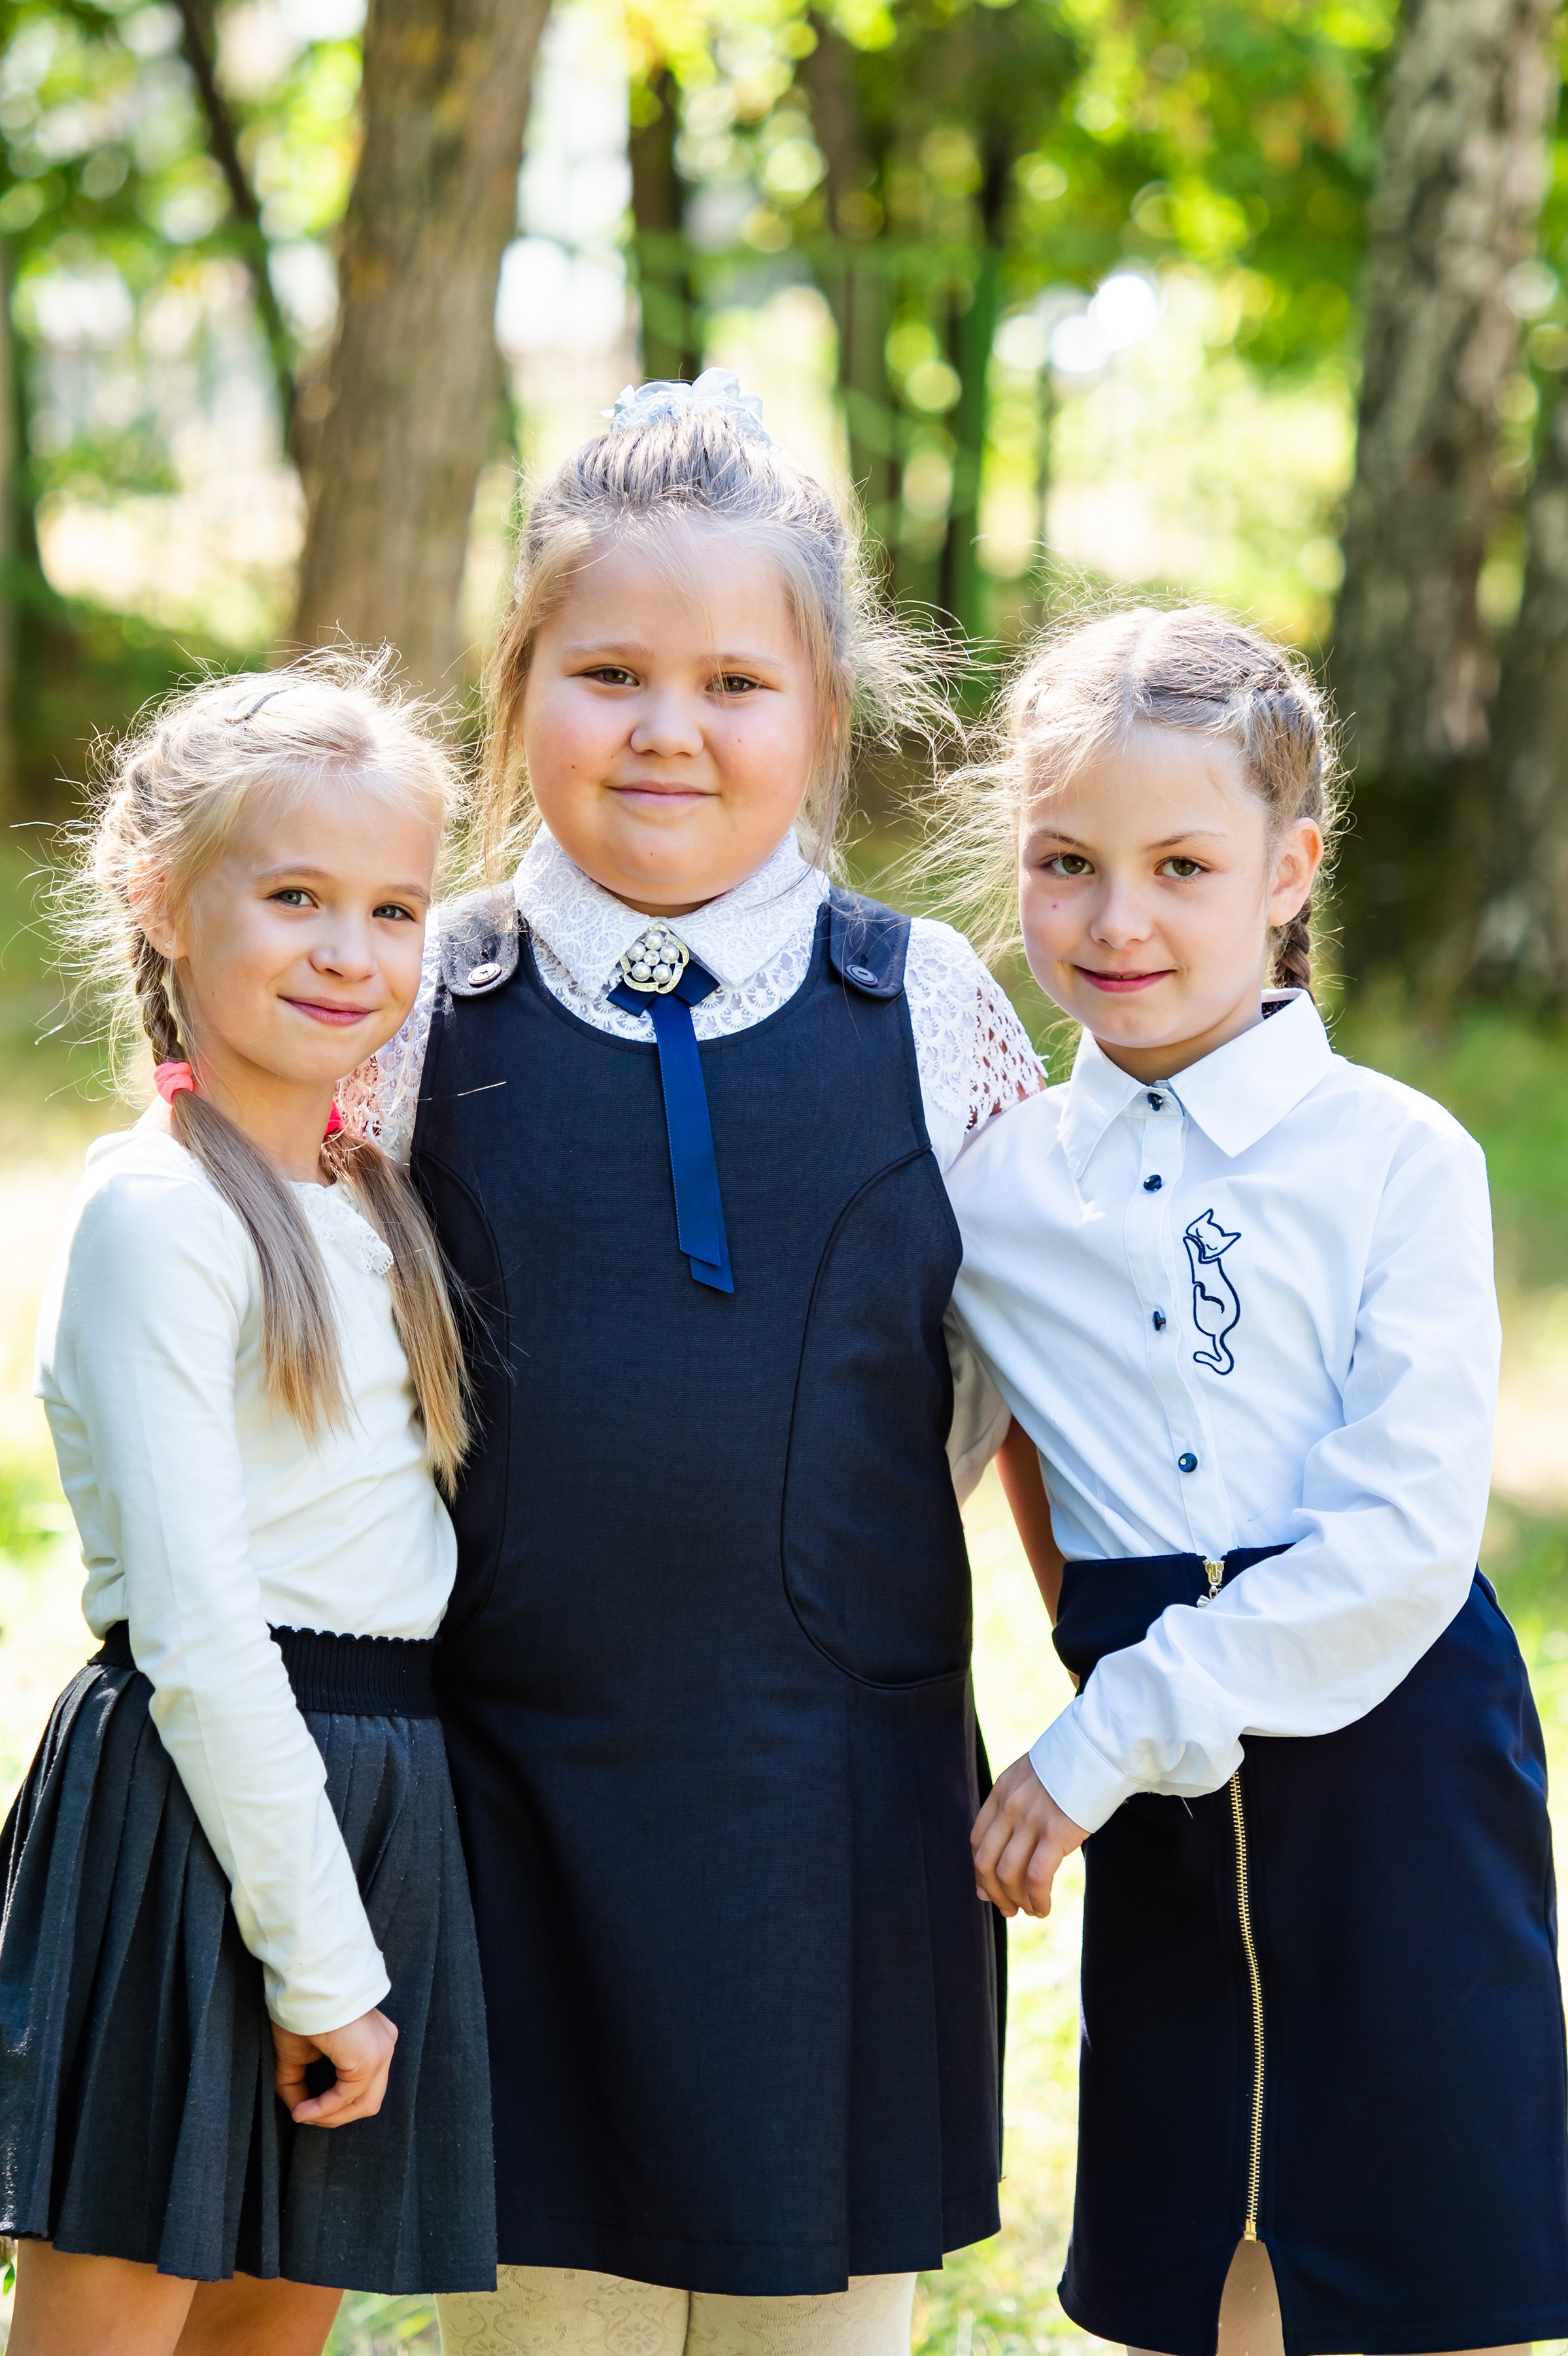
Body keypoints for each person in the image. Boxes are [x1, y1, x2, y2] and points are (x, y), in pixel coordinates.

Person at [358, 370, 1042, 2355]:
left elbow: (1034, 1386)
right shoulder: (421, 998)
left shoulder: (925, 1006)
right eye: (611, 674)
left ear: (824, 711)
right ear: (519, 686)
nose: (670, 727)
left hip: (838, 1810)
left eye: (737, 682)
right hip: (510, 1806)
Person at [947, 605, 1568, 2356]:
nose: (1116, 920)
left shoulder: (1396, 1158)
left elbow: (1401, 1545)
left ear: (1289, 871)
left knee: (1433, 2257)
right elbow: (962, 1451)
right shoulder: (995, 1190)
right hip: (1156, 1791)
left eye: (1181, 866)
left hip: (1398, 1750)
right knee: (1202, 2237)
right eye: (1065, 863)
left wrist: (1101, 1730)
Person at [0, 659, 496, 2356]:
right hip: (201, 1802)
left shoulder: (375, 1198)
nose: (348, 950)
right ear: (162, 895)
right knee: (123, 2306)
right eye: (294, 897)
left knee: (275, 2318)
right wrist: (324, 1960)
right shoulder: (160, 1215)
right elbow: (203, 1632)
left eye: (392, 909)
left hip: (381, 1791)